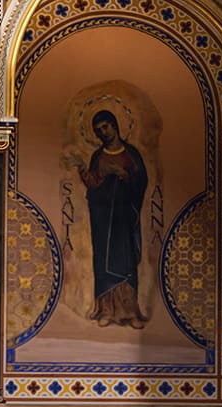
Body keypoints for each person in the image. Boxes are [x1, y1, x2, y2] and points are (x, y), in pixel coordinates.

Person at [69, 109, 148, 329]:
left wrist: (125, 175)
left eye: (106, 127)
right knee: (103, 261)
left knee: (126, 261)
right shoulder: (98, 156)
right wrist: (87, 170)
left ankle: (131, 311)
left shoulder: (131, 154)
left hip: (124, 216)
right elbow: (93, 183)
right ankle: (105, 309)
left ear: (115, 125)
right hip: (103, 218)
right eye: (98, 130)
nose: (103, 132)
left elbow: (141, 182)